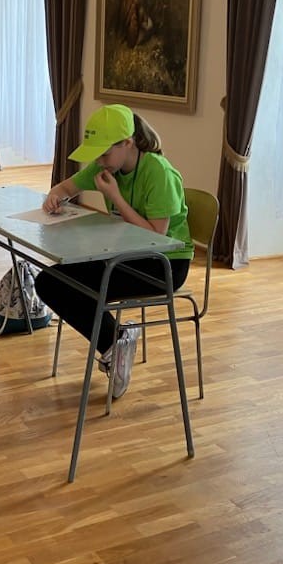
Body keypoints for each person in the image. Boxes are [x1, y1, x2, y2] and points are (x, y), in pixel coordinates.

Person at [35, 104, 193, 400]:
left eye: (104, 154)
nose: (99, 161)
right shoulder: (107, 166)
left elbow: (155, 236)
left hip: (164, 265)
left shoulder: (159, 172)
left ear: (128, 144)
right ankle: (118, 340)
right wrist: (55, 198)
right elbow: (64, 188)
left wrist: (114, 197)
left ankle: (116, 345)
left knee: (71, 288)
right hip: (124, 254)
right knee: (49, 281)